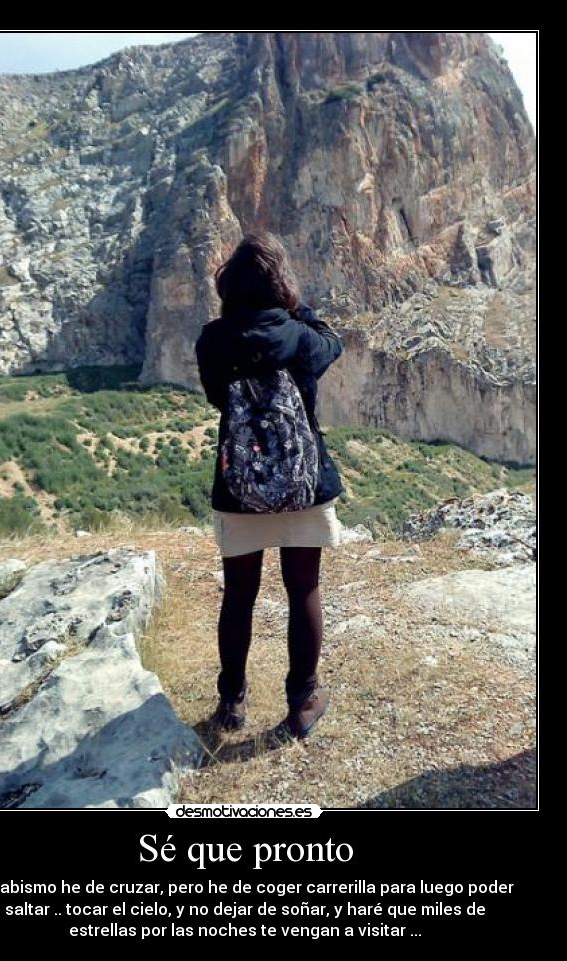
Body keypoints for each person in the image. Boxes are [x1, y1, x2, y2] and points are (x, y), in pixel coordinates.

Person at [194, 232, 345, 739]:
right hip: (303, 481)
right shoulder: (299, 337)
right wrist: (298, 308)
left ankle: (231, 702)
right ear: (279, 283)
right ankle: (303, 699)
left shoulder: (212, 340)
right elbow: (333, 342)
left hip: (239, 485)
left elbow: (220, 400)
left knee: (239, 595)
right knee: (302, 585)